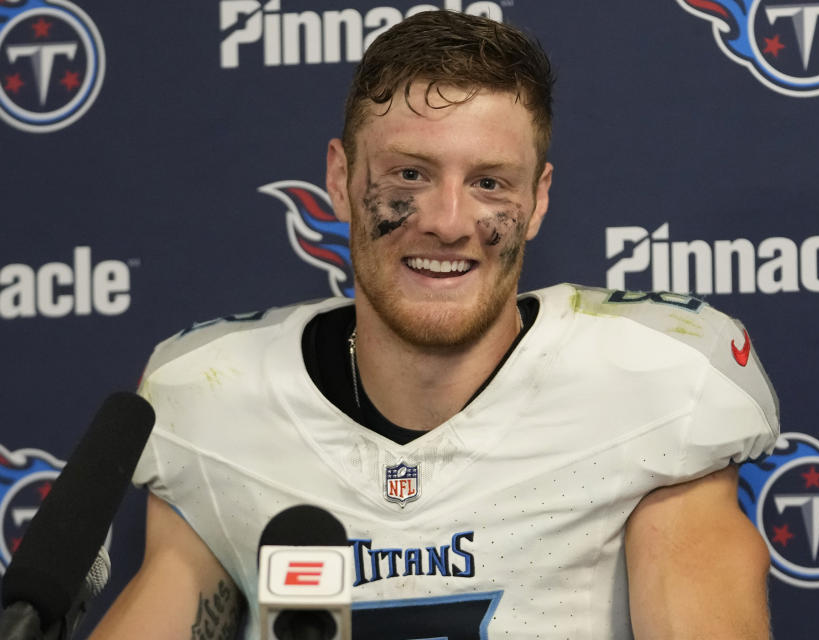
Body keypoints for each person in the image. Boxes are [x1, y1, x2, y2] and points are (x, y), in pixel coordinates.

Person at [91, 10, 778, 640]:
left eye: (489, 182)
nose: (447, 222)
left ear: (538, 199)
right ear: (339, 178)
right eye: (410, 174)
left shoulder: (655, 383)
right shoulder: (215, 398)